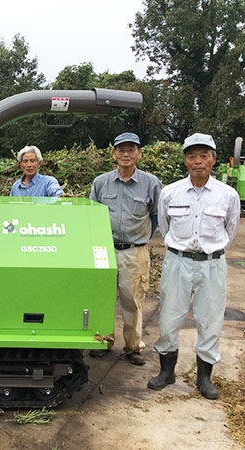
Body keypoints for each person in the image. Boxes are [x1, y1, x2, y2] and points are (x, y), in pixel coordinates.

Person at [148, 133, 240, 399]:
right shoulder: (170, 192)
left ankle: (204, 378)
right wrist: (181, 249)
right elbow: (165, 229)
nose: (198, 162)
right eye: (192, 156)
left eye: (204, 156)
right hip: (177, 262)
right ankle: (166, 373)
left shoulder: (228, 195)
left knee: (210, 320)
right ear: (185, 160)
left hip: (212, 265)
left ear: (213, 160)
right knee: (168, 318)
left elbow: (230, 231)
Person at [89, 132, 161, 366]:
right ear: (114, 153)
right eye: (121, 149)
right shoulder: (101, 182)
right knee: (102, 296)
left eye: (131, 149)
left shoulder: (151, 183)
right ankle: (103, 340)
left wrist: (142, 240)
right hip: (104, 249)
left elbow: (157, 216)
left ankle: (132, 347)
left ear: (139, 153)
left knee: (132, 300)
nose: (126, 154)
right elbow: (92, 214)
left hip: (134, 251)